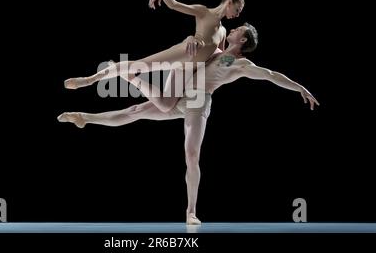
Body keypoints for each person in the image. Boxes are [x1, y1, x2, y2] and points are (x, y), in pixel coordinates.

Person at [58, 23, 320, 225]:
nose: (234, 27)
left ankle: (191, 211)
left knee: (191, 155)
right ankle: (85, 117)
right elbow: (190, 52)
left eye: (239, 29)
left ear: (242, 40)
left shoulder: (237, 62)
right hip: (182, 95)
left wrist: (300, 87)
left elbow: (271, 75)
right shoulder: (214, 52)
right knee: (134, 110)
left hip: (197, 103)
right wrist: (190, 41)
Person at [64, 0, 245, 91]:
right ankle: (90, 79)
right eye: (237, 10)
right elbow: (175, 5)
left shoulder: (223, 30)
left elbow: (218, 57)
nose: (236, 15)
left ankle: (124, 76)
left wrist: (235, 55)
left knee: (166, 107)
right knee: (140, 65)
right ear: (229, 2)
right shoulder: (203, 11)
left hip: (189, 68)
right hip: (185, 52)